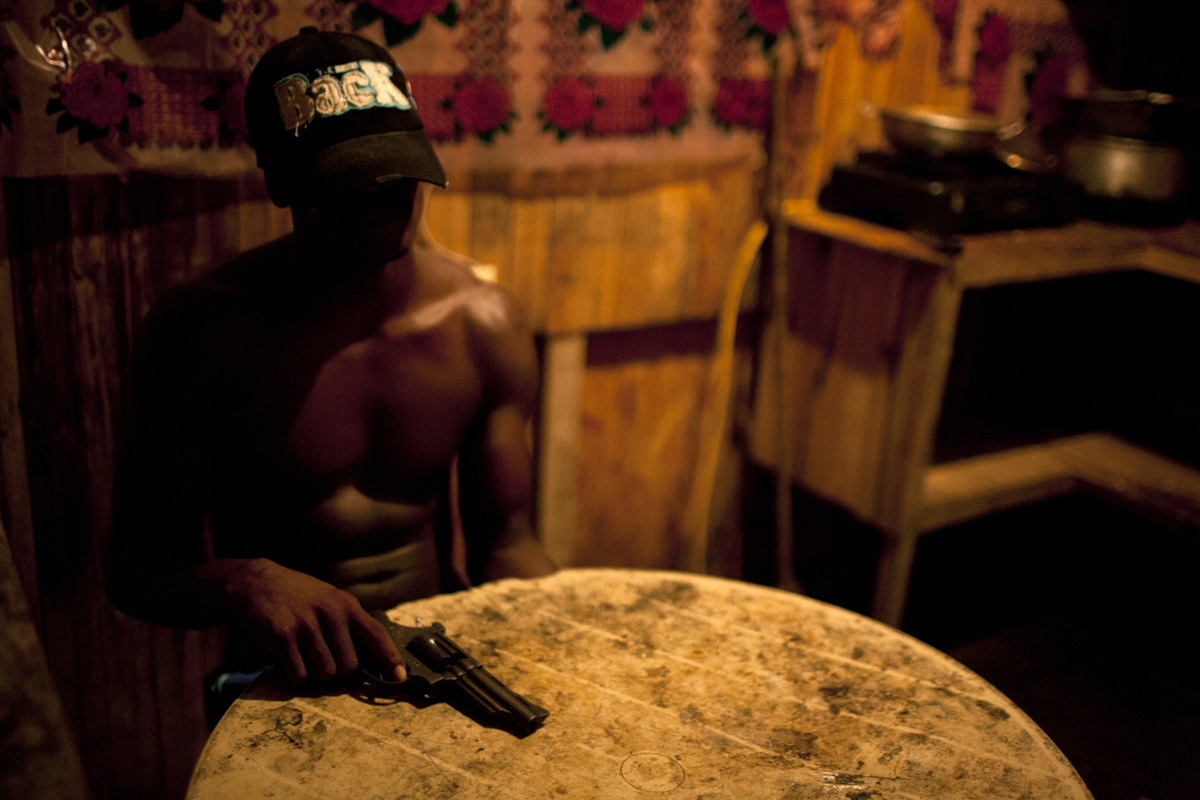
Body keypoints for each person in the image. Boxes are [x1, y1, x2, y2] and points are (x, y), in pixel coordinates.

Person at [105, 27, 557, 694]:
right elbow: (135, 568)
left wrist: (565, 643)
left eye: (397, 168)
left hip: (442, 658)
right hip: (281, 678)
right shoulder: (202, 334)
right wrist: (243, 581)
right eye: (348, 180)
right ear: (283, 185)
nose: (381, 196)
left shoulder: (482, 325)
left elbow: (508, 546)